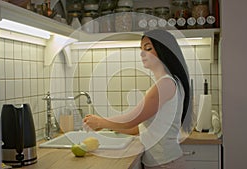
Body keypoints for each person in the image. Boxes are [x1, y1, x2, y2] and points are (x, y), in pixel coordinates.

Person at [83, 29, 194, 169]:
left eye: (148, 48)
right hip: (164, 162)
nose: (142, 53)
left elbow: (131, 120)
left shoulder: (165, 84)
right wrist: (105, 125)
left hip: (165, 164)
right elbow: (137, 128)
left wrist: (100, 121)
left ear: (164, 50)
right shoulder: (170, 82)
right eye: (141, 49)